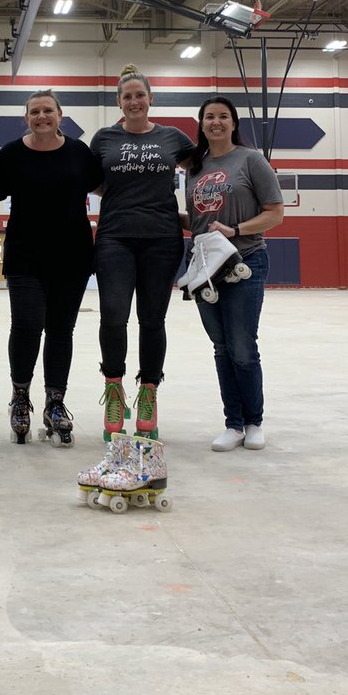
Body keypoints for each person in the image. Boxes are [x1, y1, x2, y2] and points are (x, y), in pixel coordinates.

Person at [0, 90, 101, 446]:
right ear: (26, 117)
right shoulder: (11, 154)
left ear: (60, 114)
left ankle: (55, 401)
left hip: (72, 255)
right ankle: (20, 397)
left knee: (60, 330)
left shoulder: (79, 153)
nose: (41, 116)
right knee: (26, 326)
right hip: (25, 255)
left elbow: (107, 190)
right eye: (34, 111)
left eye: (47, 110)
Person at [91, 64, 194, 441]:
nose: (134, 101)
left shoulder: (174, 138)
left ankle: (148, 394)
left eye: (140, 95)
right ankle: (115, 391)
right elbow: (93, 183)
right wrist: (126, 201)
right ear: (119, 102)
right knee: (113, 316)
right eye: (127, 96)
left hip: (162, 240)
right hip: (115, 238)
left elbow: (203, 170)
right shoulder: (104, 138)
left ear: (151, 99)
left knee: (153, 320)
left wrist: (190, 217)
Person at [183, 96, 284, 452]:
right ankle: (234, 424)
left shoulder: (251, 160)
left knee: (242, 346)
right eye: (209, 116)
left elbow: (275, 213)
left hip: (245, 260)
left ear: (234, 123)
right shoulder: (194, 167)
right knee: (221, 347)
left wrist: (237, 228)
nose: (216, 122)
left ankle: (254, 421)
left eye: (223, 116)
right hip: (204, 268)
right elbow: (196, 220)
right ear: (201, 123)